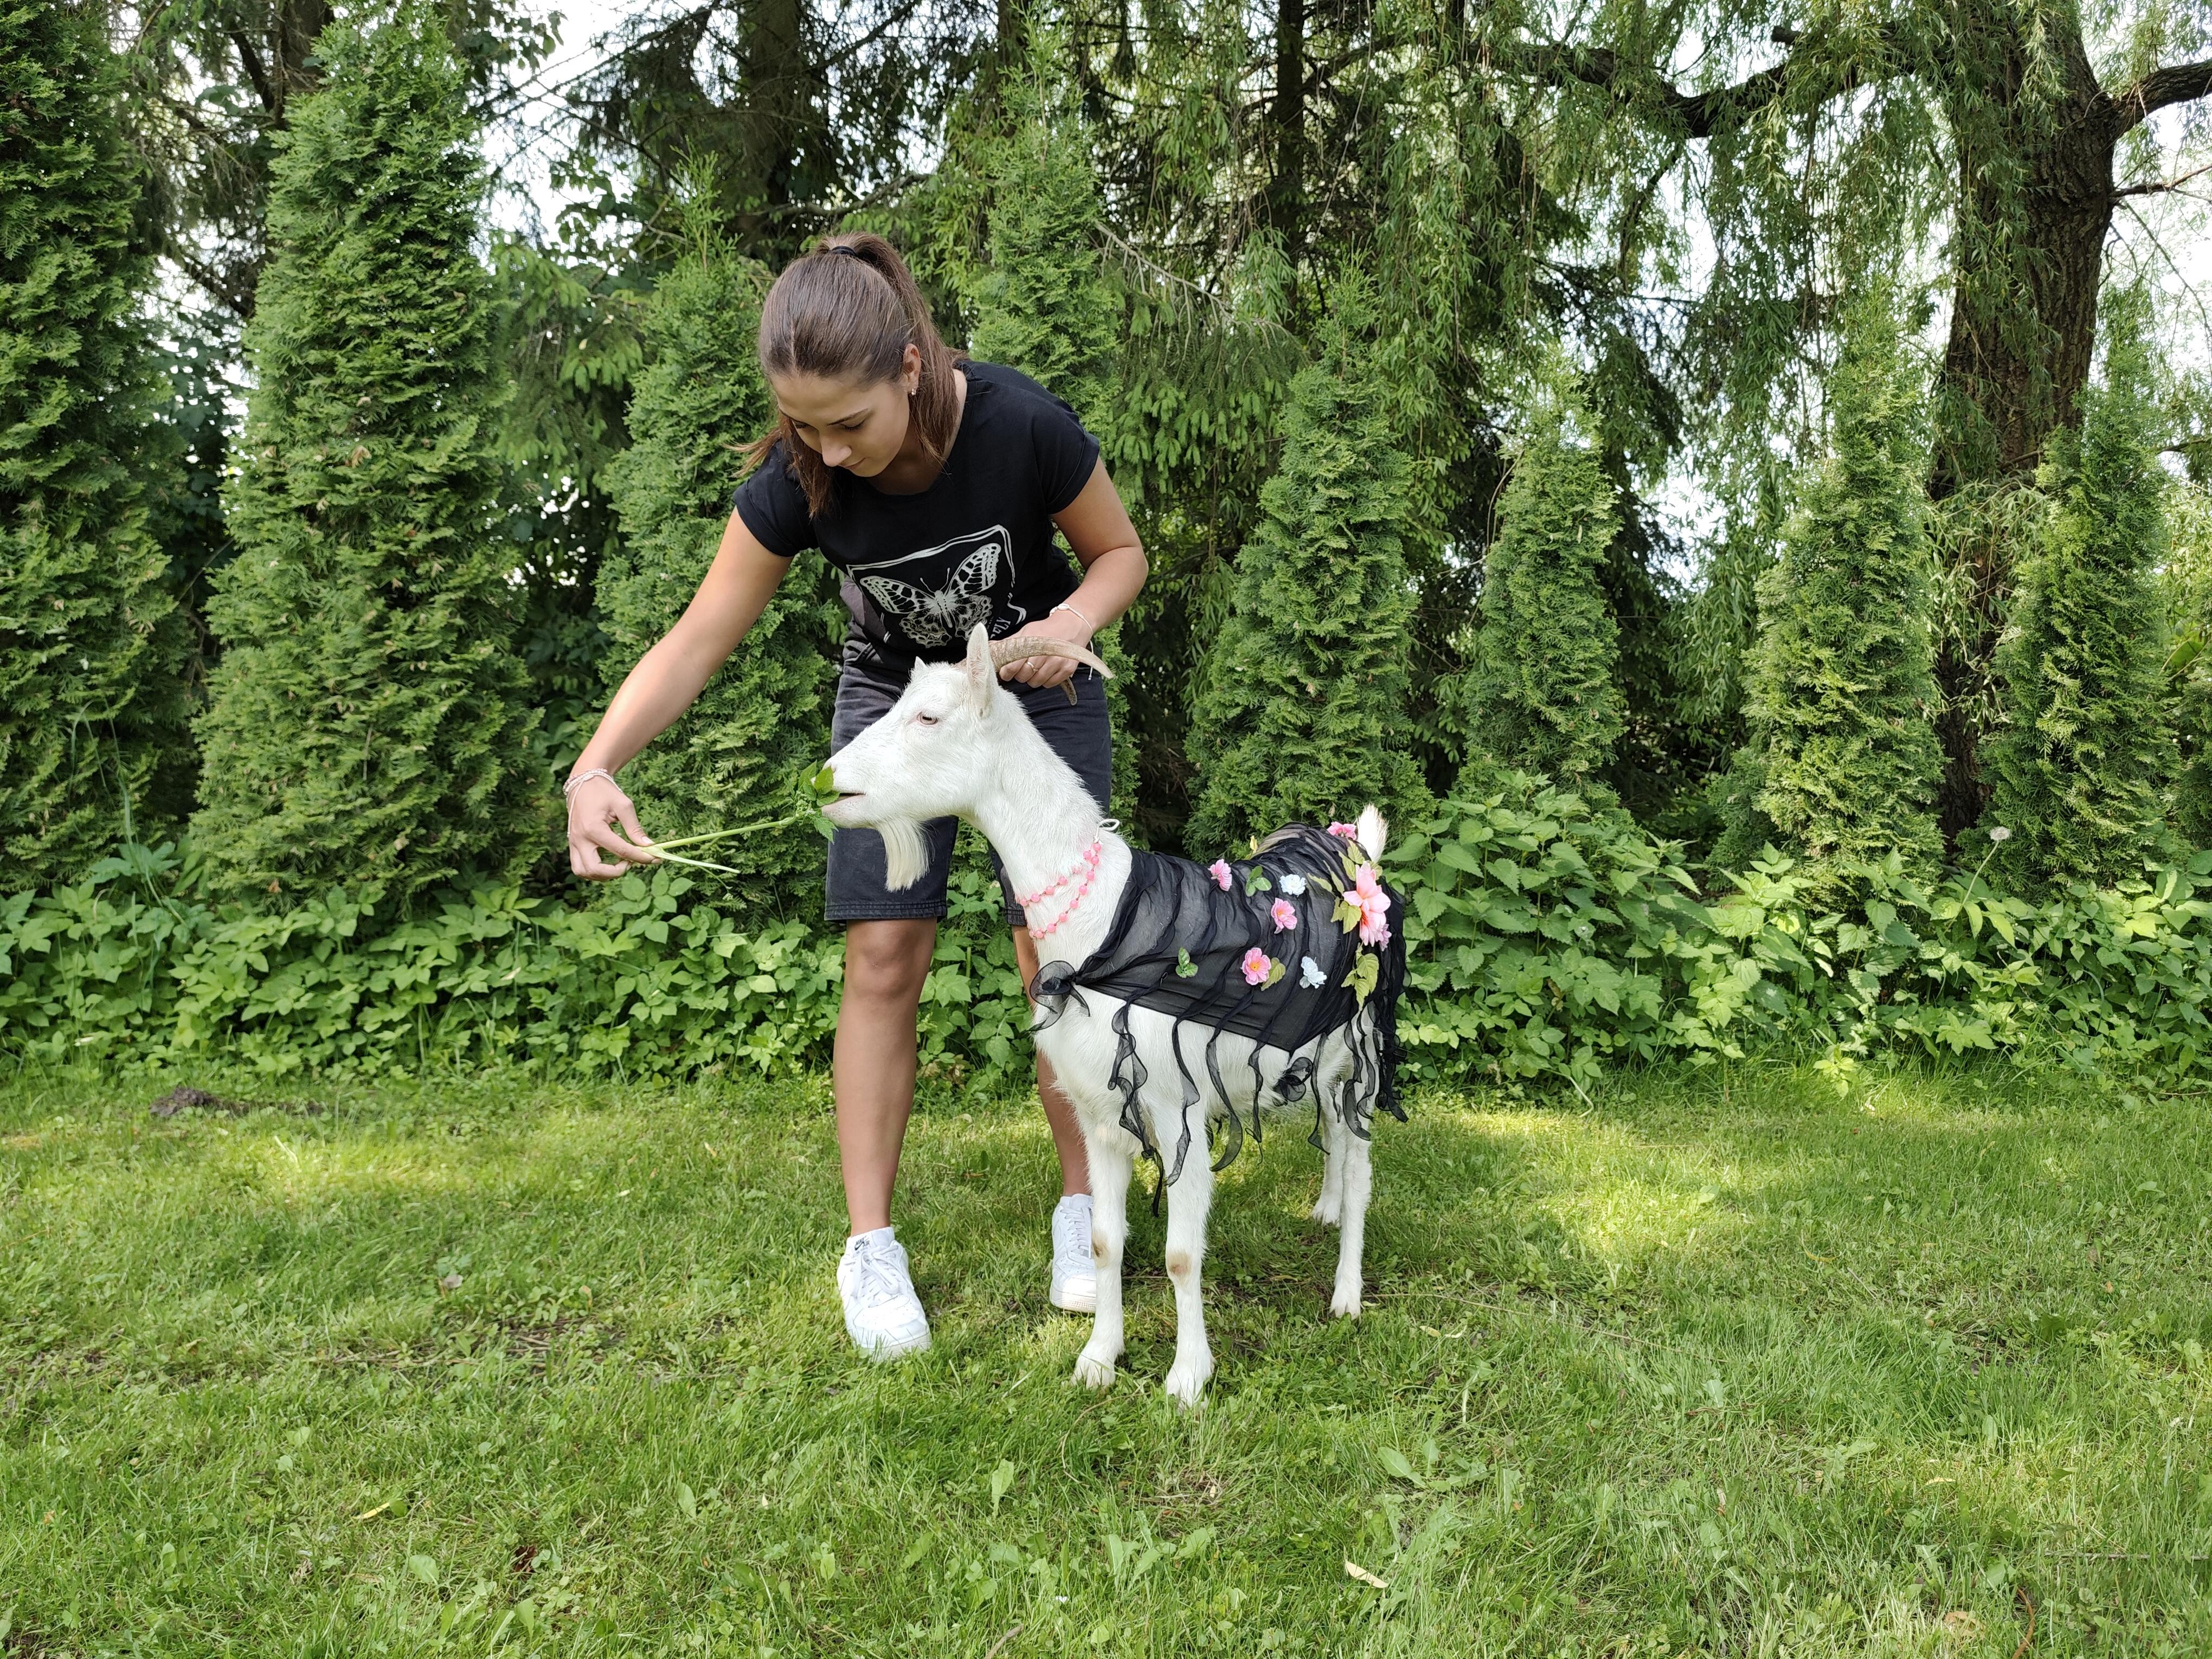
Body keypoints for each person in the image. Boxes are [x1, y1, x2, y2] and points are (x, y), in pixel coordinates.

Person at [562, 232, 1148, 1360]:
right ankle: (870, 1245)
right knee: (883, 953)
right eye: (803, 426)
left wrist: (1070, 625)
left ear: (912, 368)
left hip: (1034, 692)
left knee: (1054, 951)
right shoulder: (802, 479)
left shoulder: (1024, 425)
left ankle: (1087, 1212)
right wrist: (596, 767)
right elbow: (695, 641)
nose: (827, 448)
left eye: (849, 422)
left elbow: (1119, 554)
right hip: (895, 702)